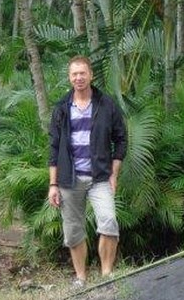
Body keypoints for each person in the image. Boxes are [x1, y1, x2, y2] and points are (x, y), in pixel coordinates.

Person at [48, 55, 127, 285]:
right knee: (73, 231)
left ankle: (106, 274)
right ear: (69, 78)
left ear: (91, 75)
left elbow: (121, 140)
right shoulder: (61, 108)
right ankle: (81, 277)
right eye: (74, 74)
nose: (79, 78)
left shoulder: (107, 104)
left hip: (100, 177)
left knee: (109, 222)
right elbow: (53, 148)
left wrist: (114, 172)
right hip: (69, 180)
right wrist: (53, 184)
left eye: (83, 73)